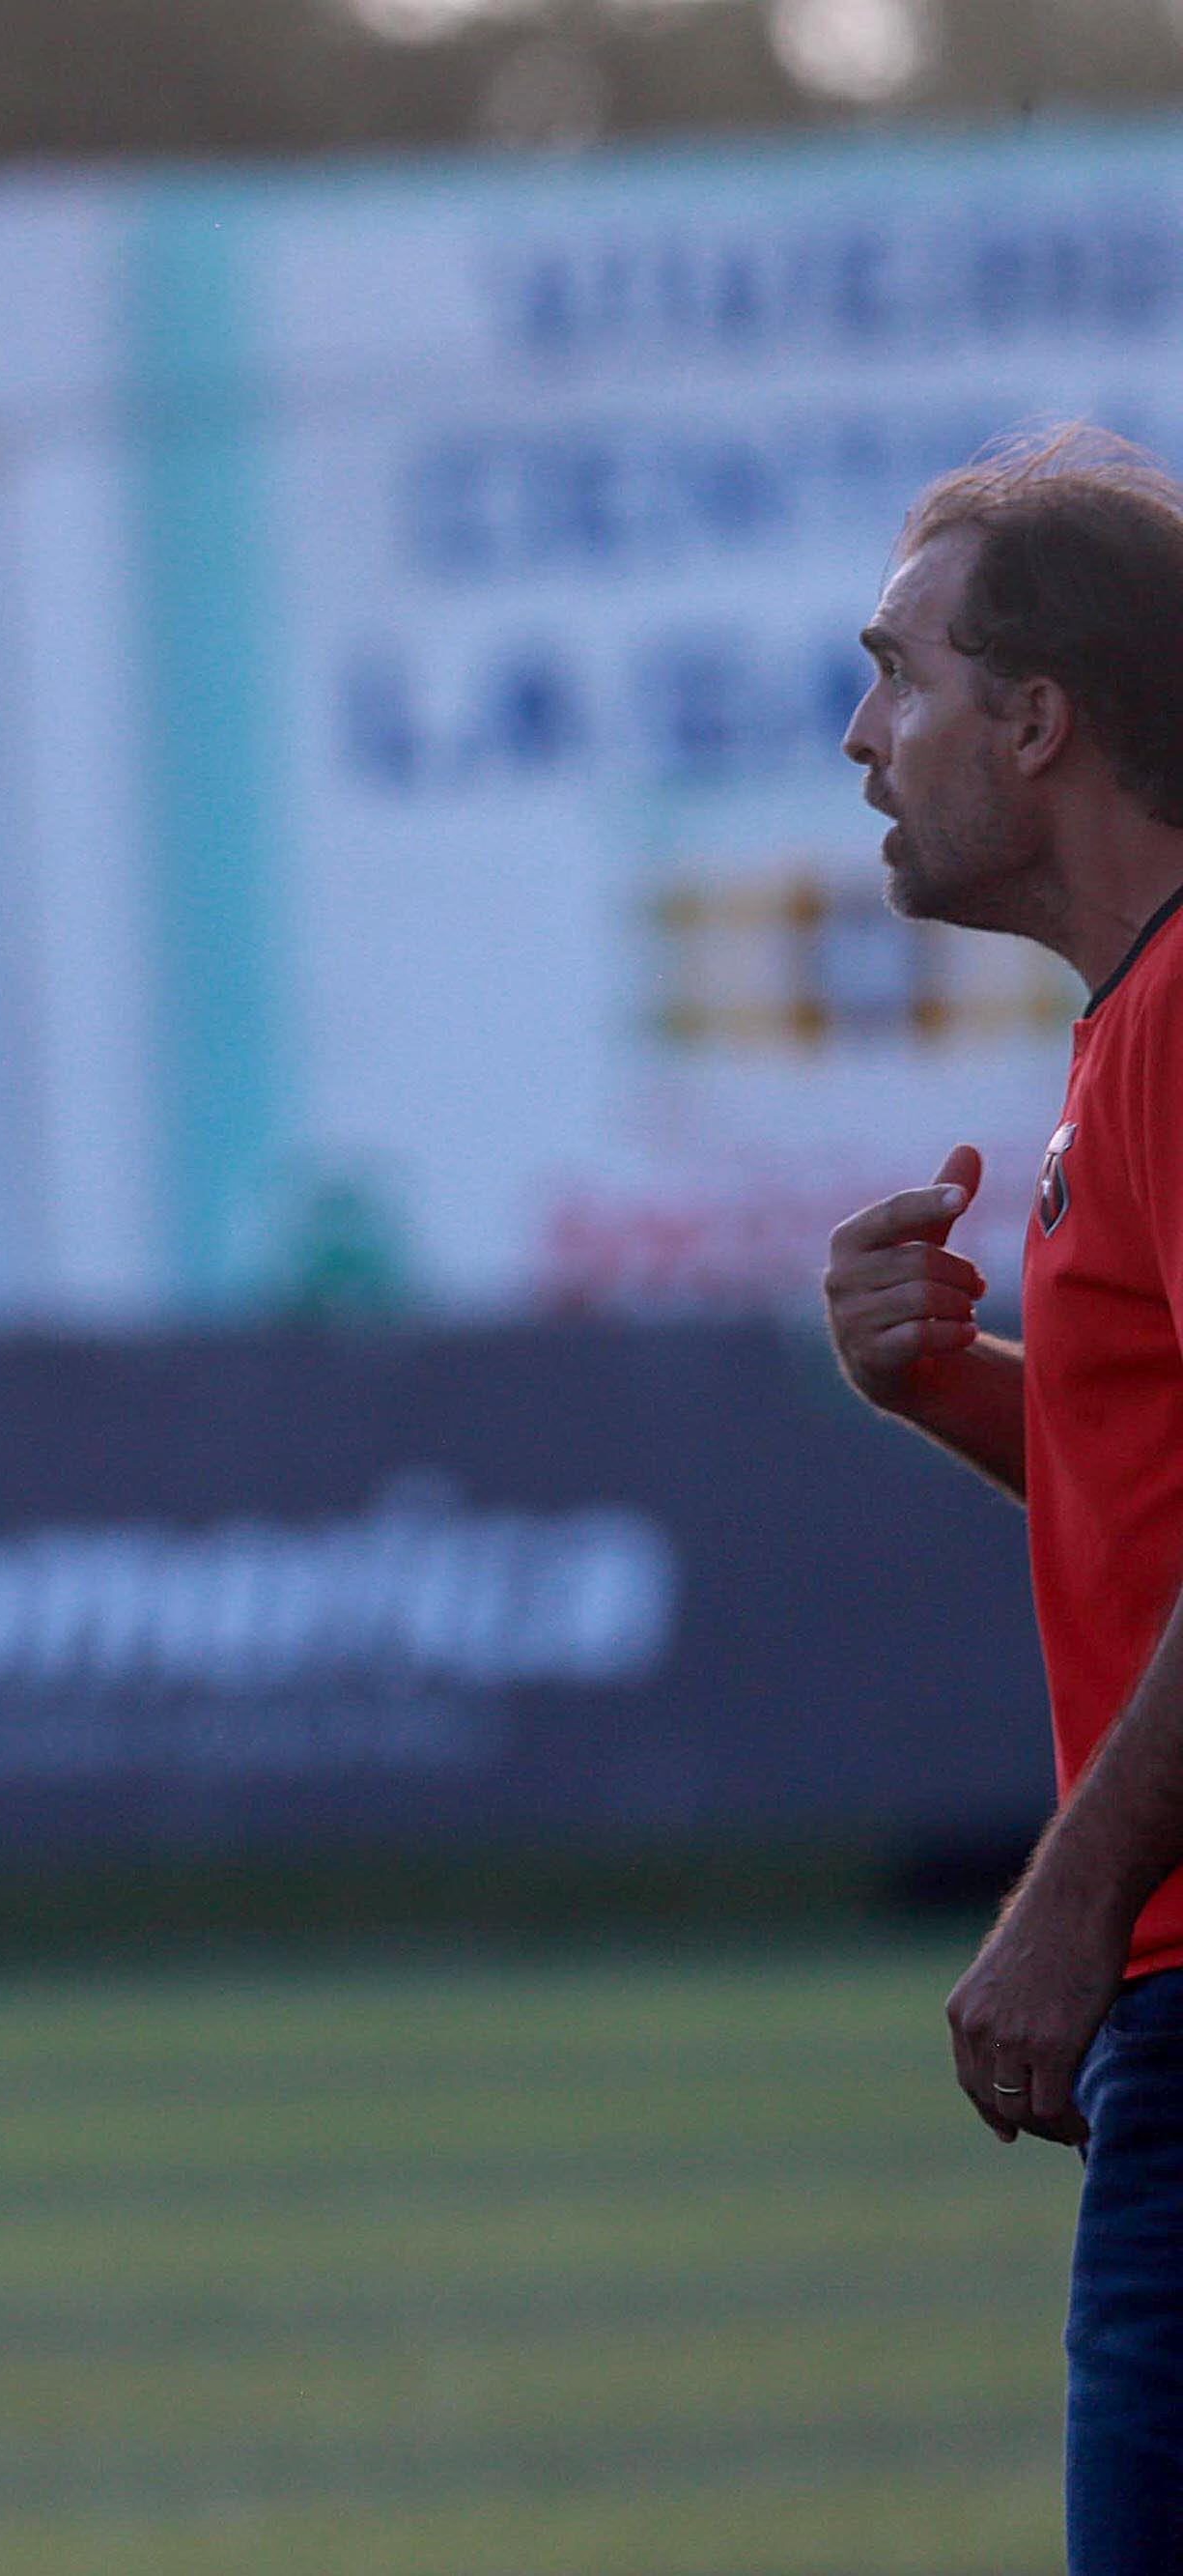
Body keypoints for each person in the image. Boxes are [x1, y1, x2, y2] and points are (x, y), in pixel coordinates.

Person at [825, 425, 1183, 2570]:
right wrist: (954, 1386)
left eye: (895, 674)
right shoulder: (1125, 1028)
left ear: (1035, 721)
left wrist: (1063, 1905)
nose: (860, 735)